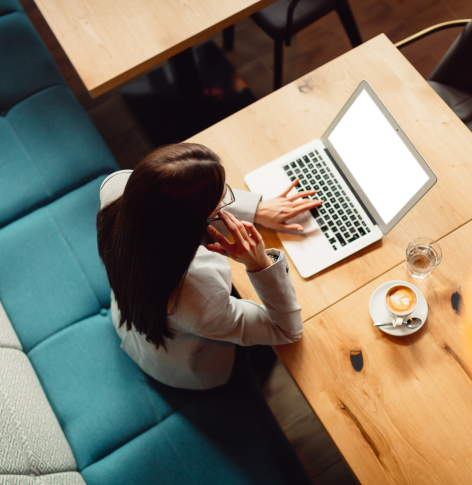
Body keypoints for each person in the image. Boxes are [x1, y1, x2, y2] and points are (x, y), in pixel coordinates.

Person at [97, 143, 323, 390]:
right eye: (222, 195)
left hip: (132, 316)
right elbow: (286, 331)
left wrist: (257, 209)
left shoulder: (118, 189)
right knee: (265, 357)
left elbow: (170, 198)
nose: (226, 200)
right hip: (181, 362)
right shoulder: (200, 299)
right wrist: (260, 264)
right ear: (194, 218)